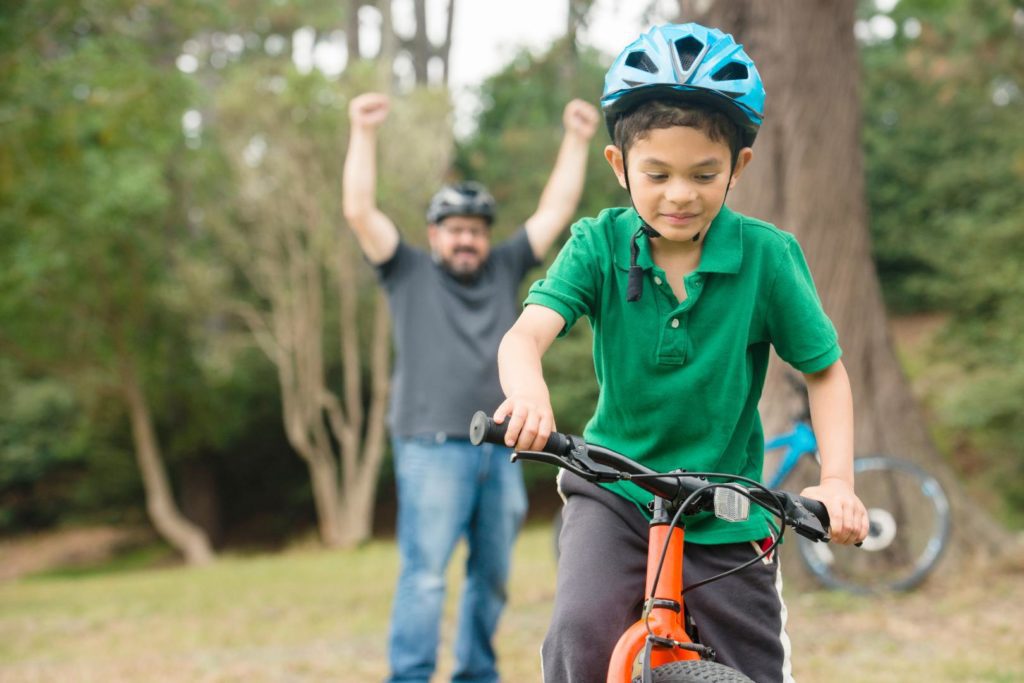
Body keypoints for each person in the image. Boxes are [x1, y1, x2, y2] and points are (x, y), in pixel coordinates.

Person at [491, 23, 869, 683]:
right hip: (613, 492)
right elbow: (525, 335)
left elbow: (825, 371)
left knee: (754, 664)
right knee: (579, 632)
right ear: (619, 166)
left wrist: (836, 480)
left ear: (738, 167)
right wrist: (527, 391)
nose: (679, 194)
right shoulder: (598, 245)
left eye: (704, 173)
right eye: (657, 173)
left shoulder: (767, 257)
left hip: (726, 506)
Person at [342, 91, 600, 683]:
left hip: (500, 449)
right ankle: (409, 676)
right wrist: (363, 131)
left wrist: (579, 138)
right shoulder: (403, 270)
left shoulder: (504, 268)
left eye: (475, 231)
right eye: (454, 230)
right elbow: (359, 209)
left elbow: (555, 210)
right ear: (434, 235)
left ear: (487, 237)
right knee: (426, 574)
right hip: (430, 448)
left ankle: (477, 674)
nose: (466, 240)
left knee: (493, 576)